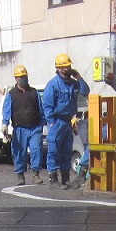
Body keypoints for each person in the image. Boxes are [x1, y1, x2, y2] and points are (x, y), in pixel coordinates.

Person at [41, 53, 89, 188]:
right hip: (56, 121)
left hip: (68, 121)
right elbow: (47, 106)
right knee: (54, 150)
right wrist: (52, 123)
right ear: (59, 69)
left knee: (67, 150)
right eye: (64, 67)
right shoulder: (53, 84)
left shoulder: (73, 84)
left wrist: (79, 77)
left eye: (68, 66)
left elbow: (86, 91)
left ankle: (65, 179)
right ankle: (53, 180)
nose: (66, 69)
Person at [0, 65, 45, 185]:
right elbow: (7, 110)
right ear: (15, 79)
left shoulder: (34, 92)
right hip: (19, 128)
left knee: (36, 150)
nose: (22, 79)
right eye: (19, 77)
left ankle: (36, 174)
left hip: (35, 127)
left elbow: (41, 108)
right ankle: (20, 176)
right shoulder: (11, 94)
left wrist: (43, 123)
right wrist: (5, 124)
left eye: (24, 77)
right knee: (19, 152)